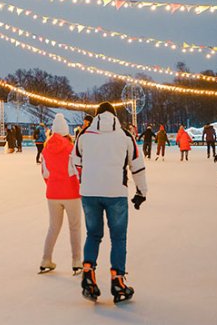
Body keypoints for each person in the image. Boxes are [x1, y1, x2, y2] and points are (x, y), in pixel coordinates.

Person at [73, 102, 147, 304]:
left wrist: (87, 179)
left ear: (96, 116)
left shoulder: (84, 134)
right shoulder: (124, 135)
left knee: (93, 234)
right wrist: (142, 191)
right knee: (118, 238)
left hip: (89, 193)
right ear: (114, 116)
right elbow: (137, 165)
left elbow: (75, 161)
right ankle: (118, 281)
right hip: (116, 193)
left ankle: (88, 274)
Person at [39, 113, 82, 276]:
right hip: (71, 193)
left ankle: (45, 259)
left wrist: (52, 186)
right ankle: (77, 261)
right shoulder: (71, 149)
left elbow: (45, 173)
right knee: (75, 228)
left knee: (53, 227)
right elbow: (77, 171)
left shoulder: (46, 150)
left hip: (52, 194)